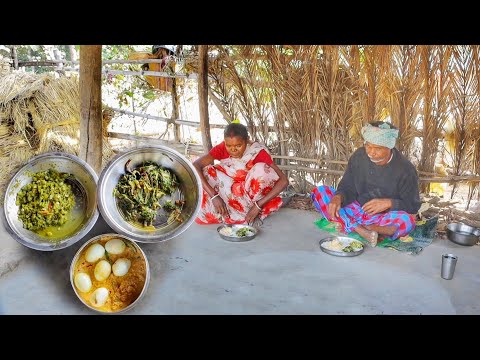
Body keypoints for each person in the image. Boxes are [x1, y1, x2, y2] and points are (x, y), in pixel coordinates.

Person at [311, 121, 421, 246]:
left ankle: (362, 227)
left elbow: (412, 206)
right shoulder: (359, 156)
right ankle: (360, 229)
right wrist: (338, 197)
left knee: (407, 221)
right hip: (356, 208)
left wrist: (387, 203)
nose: (371, 152)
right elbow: (347, 185)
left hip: (382, 218)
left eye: (378, 148)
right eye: (368, 146)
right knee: (321, 192)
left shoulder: (405, 170)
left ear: (389, 147)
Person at [194, 122, 289, 225]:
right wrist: (213, 196)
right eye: (229, 146)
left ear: (247, 140)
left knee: (262, 170)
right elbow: (196, 165)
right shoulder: (222, 148)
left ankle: (254, 211)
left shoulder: (257, 152)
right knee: (205, 172)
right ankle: (225, 213)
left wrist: (258, 205)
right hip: (228, 194)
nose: (233, 150)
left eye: (238, 145)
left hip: (248, 196)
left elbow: (283, 181)